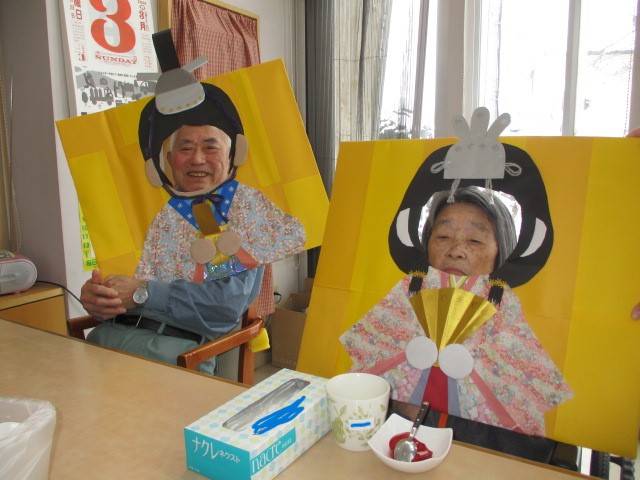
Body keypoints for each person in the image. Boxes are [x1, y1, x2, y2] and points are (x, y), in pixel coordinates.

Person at [341, 186, 571, 461]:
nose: (456, 251)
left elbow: (529, 440)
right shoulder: (401, 300)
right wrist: (399, 400)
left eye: (475, 240)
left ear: (501, 254)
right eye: (443, 236)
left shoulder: (509, 318)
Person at [80, 123, 266, 375]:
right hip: (104, 339)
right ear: (169, 159)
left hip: (172, 354)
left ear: (231, 157)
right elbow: (116, 285)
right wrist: (98, 297)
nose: (197, 159)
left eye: (210, 147)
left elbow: (223, 305)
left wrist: (143, 293)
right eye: (185, 148)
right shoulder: (139, 212)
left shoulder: (236, 226)